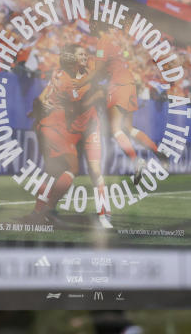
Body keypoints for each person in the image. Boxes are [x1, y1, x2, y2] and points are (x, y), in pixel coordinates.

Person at [24, 43, 112, 229]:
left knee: (93, 171)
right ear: (71, 58)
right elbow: (80, 101)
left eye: (85, 53)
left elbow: (104, 59)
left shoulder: (77, 70)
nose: (85, 56)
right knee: (66, 171)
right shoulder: (65, 80)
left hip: (89, 128)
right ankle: (44, 211)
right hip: (66, 129)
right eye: (80, 54)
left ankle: (104, 214)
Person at [92, 22, 160, 184]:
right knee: (128, 128)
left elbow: (98, 68)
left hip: (118, 84)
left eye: (92, 24)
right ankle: (157, 151)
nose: (90, 26)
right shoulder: (117, 41)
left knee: (116, 130)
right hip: (129, 83)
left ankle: (137, 161)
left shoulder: (104, 40)